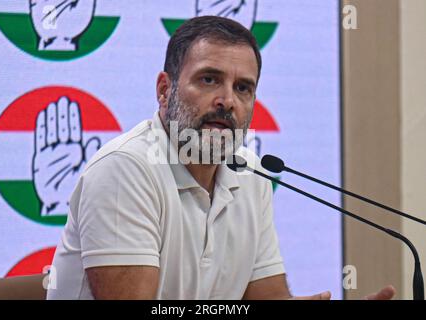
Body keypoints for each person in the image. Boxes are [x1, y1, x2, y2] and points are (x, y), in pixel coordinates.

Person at [47, 16, 395, 300]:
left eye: (243, 88)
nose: (227, 101)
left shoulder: (250, 173)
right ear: (164, 91)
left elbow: (267, 297)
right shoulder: (125, 170)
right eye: (209, 79)